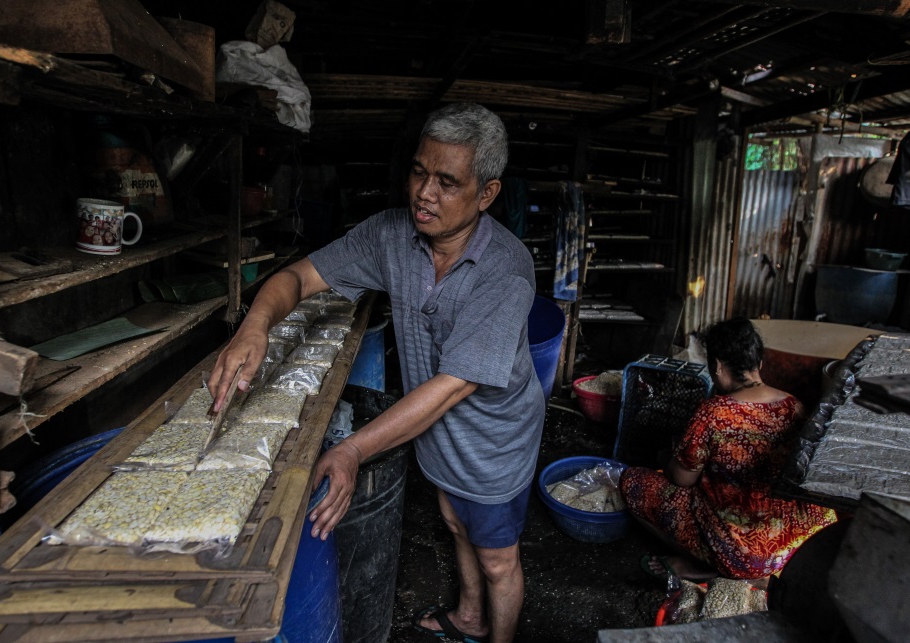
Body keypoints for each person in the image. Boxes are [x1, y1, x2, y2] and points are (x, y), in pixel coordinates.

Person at [208, 102, 545, 643]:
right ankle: (470, 617)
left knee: (499, 559)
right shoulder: (391, 235)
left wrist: (352, 449)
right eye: (418, 171)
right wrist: (255, 327)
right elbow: (296, 276)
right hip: (433, 426)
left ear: (486, 194)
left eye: (446, 182)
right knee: (456, 525)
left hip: (493, 440)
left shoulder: (505, 270)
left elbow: (453, 384)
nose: (423, 194)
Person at [619, 317, 837, 582]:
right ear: (759, 364)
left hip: (747, 553)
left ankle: (710, 566)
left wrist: (670, 458)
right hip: (805, 540)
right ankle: (760, 570)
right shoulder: (795, 405)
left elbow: (682, 479)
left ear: (719, 367)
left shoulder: (715, 413)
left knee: (632, 482)